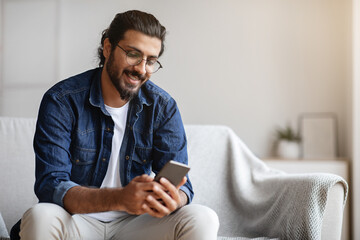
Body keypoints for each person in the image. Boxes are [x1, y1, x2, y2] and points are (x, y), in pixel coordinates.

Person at [18, 10, 219, 240]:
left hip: (137, 224)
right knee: (40, 216)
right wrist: (120, 198)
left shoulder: (163, 107)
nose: (141, 69)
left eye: (151, 61)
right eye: (133, 54)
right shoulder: (62, 100)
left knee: (203, 218)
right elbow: (50, 185)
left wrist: (175, 198)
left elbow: (184, 187)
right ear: (107, 48)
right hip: (77, 220)